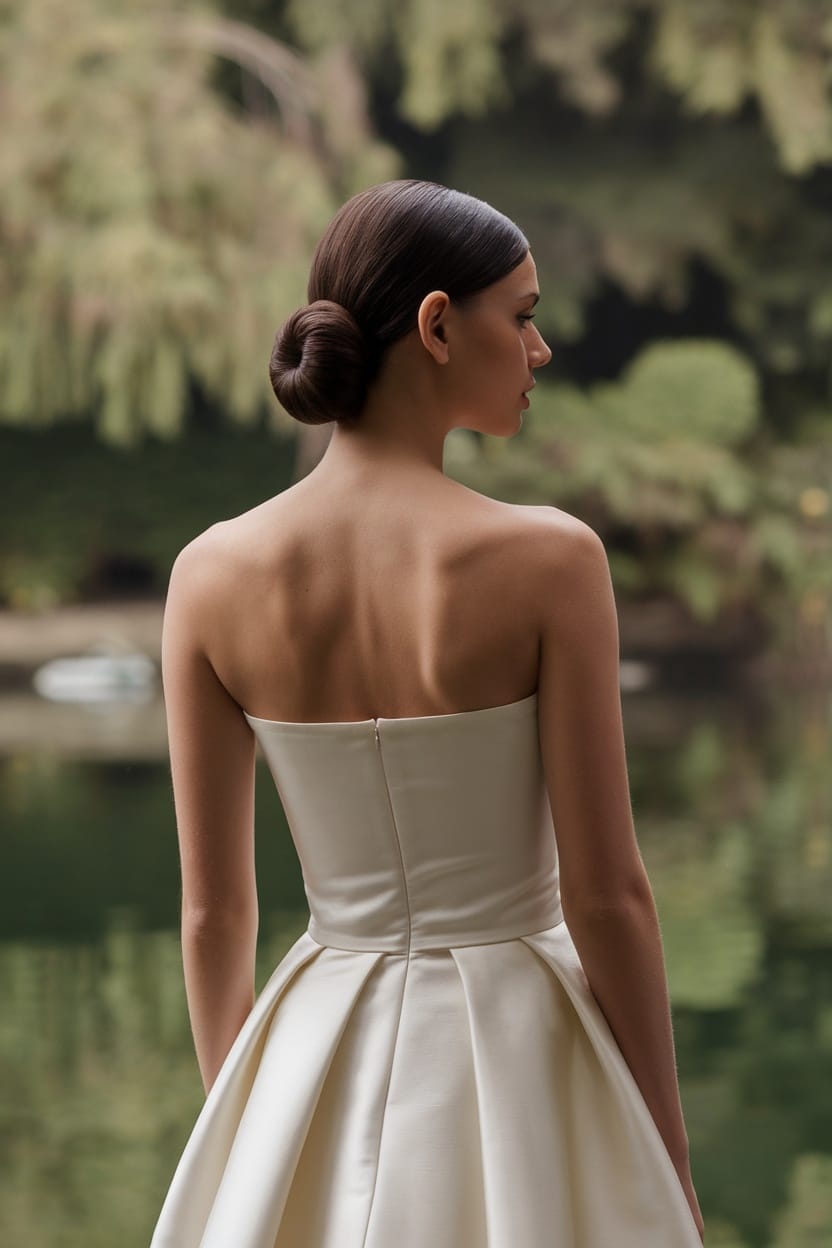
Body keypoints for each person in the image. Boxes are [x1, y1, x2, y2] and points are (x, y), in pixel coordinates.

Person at [150, 178, 705, 1247]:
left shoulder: (209, 575)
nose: (539, 352)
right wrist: (666, 1160)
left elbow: (215, 914)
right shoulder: (549, 560)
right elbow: (608, 897)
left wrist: (246, 1126)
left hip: (313, 1041)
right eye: (524, 315)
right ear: (440, 325)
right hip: (525, 1049)